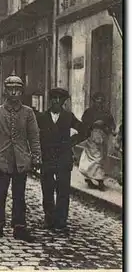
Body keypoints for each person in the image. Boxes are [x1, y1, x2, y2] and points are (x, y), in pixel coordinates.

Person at [0, 74, 41, 243]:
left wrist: (36, 156)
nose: (14, 93)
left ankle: (19, 227)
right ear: (5, 91)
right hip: (1, 159)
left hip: (21, 160)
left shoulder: (28, 113)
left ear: (21, 92)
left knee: (19, 195)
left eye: (17, 90)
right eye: (11, 89)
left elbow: (34, 136)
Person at [36, 88, 83, 232]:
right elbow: (32, 135)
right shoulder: (41, 117)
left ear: (64, 101)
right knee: (47, 189)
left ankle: (61, 220)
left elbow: (84, 130)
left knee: (63, 190)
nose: (57, 102)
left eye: (60, 99)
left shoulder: (69, 117)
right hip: (47, 158)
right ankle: (49, 219)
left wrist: (71, 142)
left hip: (63, 158)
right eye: (54, 98)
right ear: (50, 100)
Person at [79, 92, 116, 190]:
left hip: (103, 137)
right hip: (92, 137)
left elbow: (111, 123)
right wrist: (94, 124)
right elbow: (84, 123)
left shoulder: (106, 112)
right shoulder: (89, 112)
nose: (99, 102)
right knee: (95, 159)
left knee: (102, 159)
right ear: (94, 101)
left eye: (101, 100)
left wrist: (111, 130)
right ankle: (99, 182)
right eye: (97, 100)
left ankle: (93, 179)